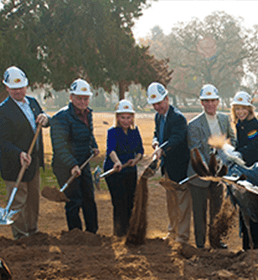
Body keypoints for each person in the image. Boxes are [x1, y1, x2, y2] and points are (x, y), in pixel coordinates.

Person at [0, 66, 50, 240]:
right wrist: (19, 153)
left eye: (21, 87)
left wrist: (46, 118)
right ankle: (20, 234)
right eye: (14, 88)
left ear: (26, 86)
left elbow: (44, 120)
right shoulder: (1, 111)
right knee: (18, 200)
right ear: (7, 88)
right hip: (14, 163)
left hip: (33, 161)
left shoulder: (33, 103)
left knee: (33, 198)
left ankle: (32, 230)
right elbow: (2, 141)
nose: (18, 91)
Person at [187, 84, 235, 249]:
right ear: (201, 103)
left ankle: (216, 241)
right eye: (206, 101)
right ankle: (200, 244)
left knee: (216, 210)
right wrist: (209, 169)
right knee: (199, 212)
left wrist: (227, 156)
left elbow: (232, 140)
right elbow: (195, 150)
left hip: (218, 175)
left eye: (213, 100)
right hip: (199, 175)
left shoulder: (224, 119)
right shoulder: (193, 125)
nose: (210, 104)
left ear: (218, 101)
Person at [51, 78, 100, 233]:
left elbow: (88, 134)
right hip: (65, 165)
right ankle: (75, 234)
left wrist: (94, 146)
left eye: (85, 98)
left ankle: (92, 233)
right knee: (74, 200)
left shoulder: (88, 114)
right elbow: (60, 146)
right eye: (79, 98)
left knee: (89, 198)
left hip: (83, 161)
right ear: (71, 97)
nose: (83, 101)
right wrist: (72, 165)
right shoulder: (61, 117)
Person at [149, 82, 191, 244]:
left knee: (182, 205)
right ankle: (172, 233)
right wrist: (155, 143)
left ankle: (182, 237)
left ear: (167, 99)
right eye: (154, 104)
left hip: (180, 169)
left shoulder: (178, 118)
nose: (157, 107)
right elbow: (156, 133)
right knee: (171, 204)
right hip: (167, 168)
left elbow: (176, 138)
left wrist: (162, 149)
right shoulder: (158, 116)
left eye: (159, 103)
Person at [230, 91, 258, 249]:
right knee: (245, 211)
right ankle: (247, 246)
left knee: (255, 211)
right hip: (245, 173)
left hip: (256, 175)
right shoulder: (240, 125)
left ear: (249, 109)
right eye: (237, 108)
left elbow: (254, 147)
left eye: (243, 108)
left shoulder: (254, 126)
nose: (240, 112)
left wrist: (239, 153)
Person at [104, 99, 144, 237]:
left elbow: (140, 150)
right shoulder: (112, 132)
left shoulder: (134, 131)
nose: (125, 120)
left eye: (128, 117)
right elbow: (111, 150)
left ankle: (129, 232)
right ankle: (119, 233)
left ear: (132, 117)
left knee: (130, 202)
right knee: (120, 202)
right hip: (115, 171)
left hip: (130, 170)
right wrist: (117, 162)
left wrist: (136, 160)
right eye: (122, 117)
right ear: (117, 117)